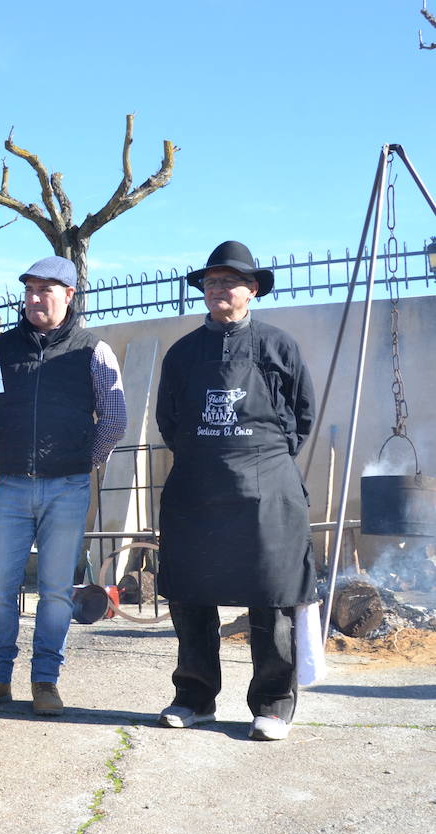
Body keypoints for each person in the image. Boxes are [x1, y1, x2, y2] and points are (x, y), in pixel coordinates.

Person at [154, 241, 316, 741]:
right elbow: (169, 420)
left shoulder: (279, 346)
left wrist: (261, 455)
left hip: (266, 488)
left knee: (271, 592)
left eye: (230, 281)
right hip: (197, 487)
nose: (219, 289)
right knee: (190, 592)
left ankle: (272, 702)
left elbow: (301, 416)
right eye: (211, 282)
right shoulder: (182, 352)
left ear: (252, 290)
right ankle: (194, 696)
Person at [0, 256, 127, 716]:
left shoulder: (93, 351)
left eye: (45, 290)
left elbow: (114, 421)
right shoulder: (1, 348)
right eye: (29, 290)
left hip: (68, 489)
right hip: (9, 486)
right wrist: (12, 452)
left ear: (69, 295)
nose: (34, 299)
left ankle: (45, 681)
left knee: (54, 591)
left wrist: (80, 463)